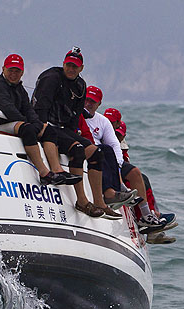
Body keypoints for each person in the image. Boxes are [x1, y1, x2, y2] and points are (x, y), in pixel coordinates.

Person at [31, 47, 126, 218]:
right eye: (68, 65)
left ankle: (100, 202)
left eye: (75, 66)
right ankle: (82, 201)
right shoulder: (51, 78)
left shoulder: (81, 86)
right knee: (77, 149)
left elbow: (74, 118)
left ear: (81, 68)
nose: (71, 69)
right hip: (46, 126)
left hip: (63, 128)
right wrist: (42, 130)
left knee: (96, 152)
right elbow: (40, 106)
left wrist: (75, 134)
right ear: (63, 64)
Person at [0, 53, 81, 186]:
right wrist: (32, 125)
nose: (14, 74)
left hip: (11, 123)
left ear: (22, 72)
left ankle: (57, 170)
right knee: (28, 129)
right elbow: (9, 110)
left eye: (17, 71)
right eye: (10, 70)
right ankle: (44, 173)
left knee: (48, 130)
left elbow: (28, 109)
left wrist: (37, 124)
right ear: (3, 69)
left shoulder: (19, 88)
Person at [81, 87, 165, 231]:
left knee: (137, 174)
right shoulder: (78, 115)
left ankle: (147, 215)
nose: (88, 103)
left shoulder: (103, 121)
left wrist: (118, 164)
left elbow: (114, 144)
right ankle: (118, 191)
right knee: (102, 152)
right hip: (91, 153)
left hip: (110, 158)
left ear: (99, 104)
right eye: (87, 99)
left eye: (92, 101)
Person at [112, 120, 178, 243]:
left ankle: (153, 217)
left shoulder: (121, 147)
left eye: (119, 134)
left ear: (123, 136)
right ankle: (151, 218)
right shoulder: (105, 138)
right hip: (115, 178)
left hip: (121, 176)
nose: (116, 137)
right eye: (115, 133)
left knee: (143, 180)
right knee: (137, 181)